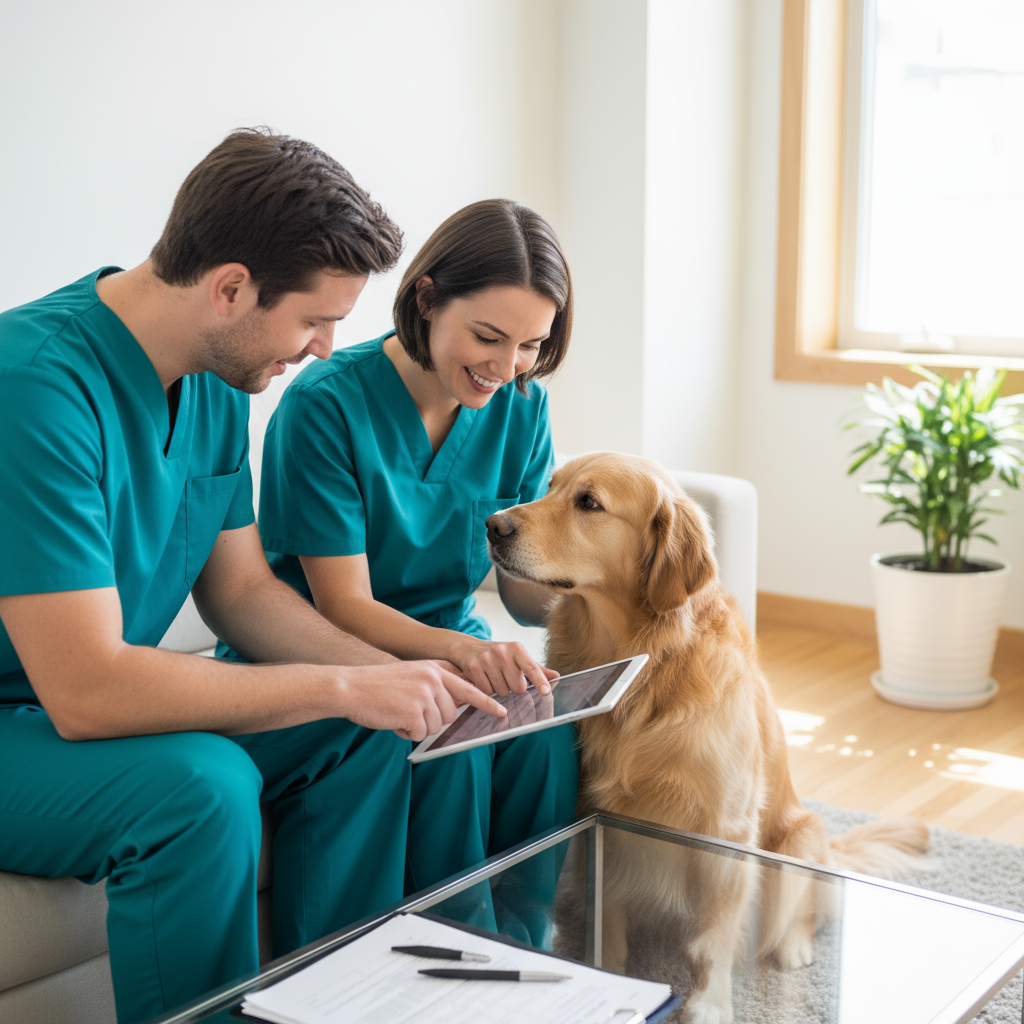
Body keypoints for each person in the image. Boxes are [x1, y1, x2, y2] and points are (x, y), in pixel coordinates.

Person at [0, 129, 507, 1024]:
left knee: (363, 728)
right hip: (24, 719)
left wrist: (382, 681)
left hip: (73, 706)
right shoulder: (34, 387)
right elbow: (82, 689)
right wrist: (344, 679)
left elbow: (241, 593)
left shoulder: (213, 378)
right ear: (230, 286)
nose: (323, 349)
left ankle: (350, 1003)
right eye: (313, 319)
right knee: (202, 789)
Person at [234, 199, 580, 945]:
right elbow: (344, 607)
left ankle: (530, 954)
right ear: (426, 299)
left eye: (530, 344)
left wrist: (599, 593)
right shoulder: (326, 405)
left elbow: (521, 595)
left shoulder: (523, 407)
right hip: (324, 647)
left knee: (547, 726)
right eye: (488, 336)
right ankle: (428, 959)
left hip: (455, 643)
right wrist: (462, 652)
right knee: (447, 726)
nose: (505, 366)